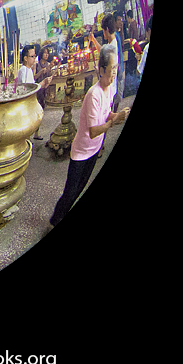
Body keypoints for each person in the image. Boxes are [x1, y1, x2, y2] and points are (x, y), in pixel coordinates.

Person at [49, 43, 129, 226]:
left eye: (116, 68)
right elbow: (93, 131)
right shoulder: (94, 94)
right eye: (112, 68)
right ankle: (56, 219)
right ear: (101, 70)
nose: (115, 72)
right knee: (70, 190)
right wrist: (113, 122)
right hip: (82, 150)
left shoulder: (109, 89)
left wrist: (118, 116)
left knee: (80, 188)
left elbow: (107, 114)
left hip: (94, 149)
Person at [33, 46, 54, 140]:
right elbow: (34, 78)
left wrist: (51, 71)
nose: (46, 55)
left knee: (42, 110)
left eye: (47, 53)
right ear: (41, 54)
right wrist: (41, 72)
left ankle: (36, 133)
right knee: (36, 111)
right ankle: (34, 132)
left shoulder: (48, 64)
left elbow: (49, 77)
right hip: (37, 90)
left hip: (44, 90)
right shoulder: (36, 65)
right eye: (45, 53)